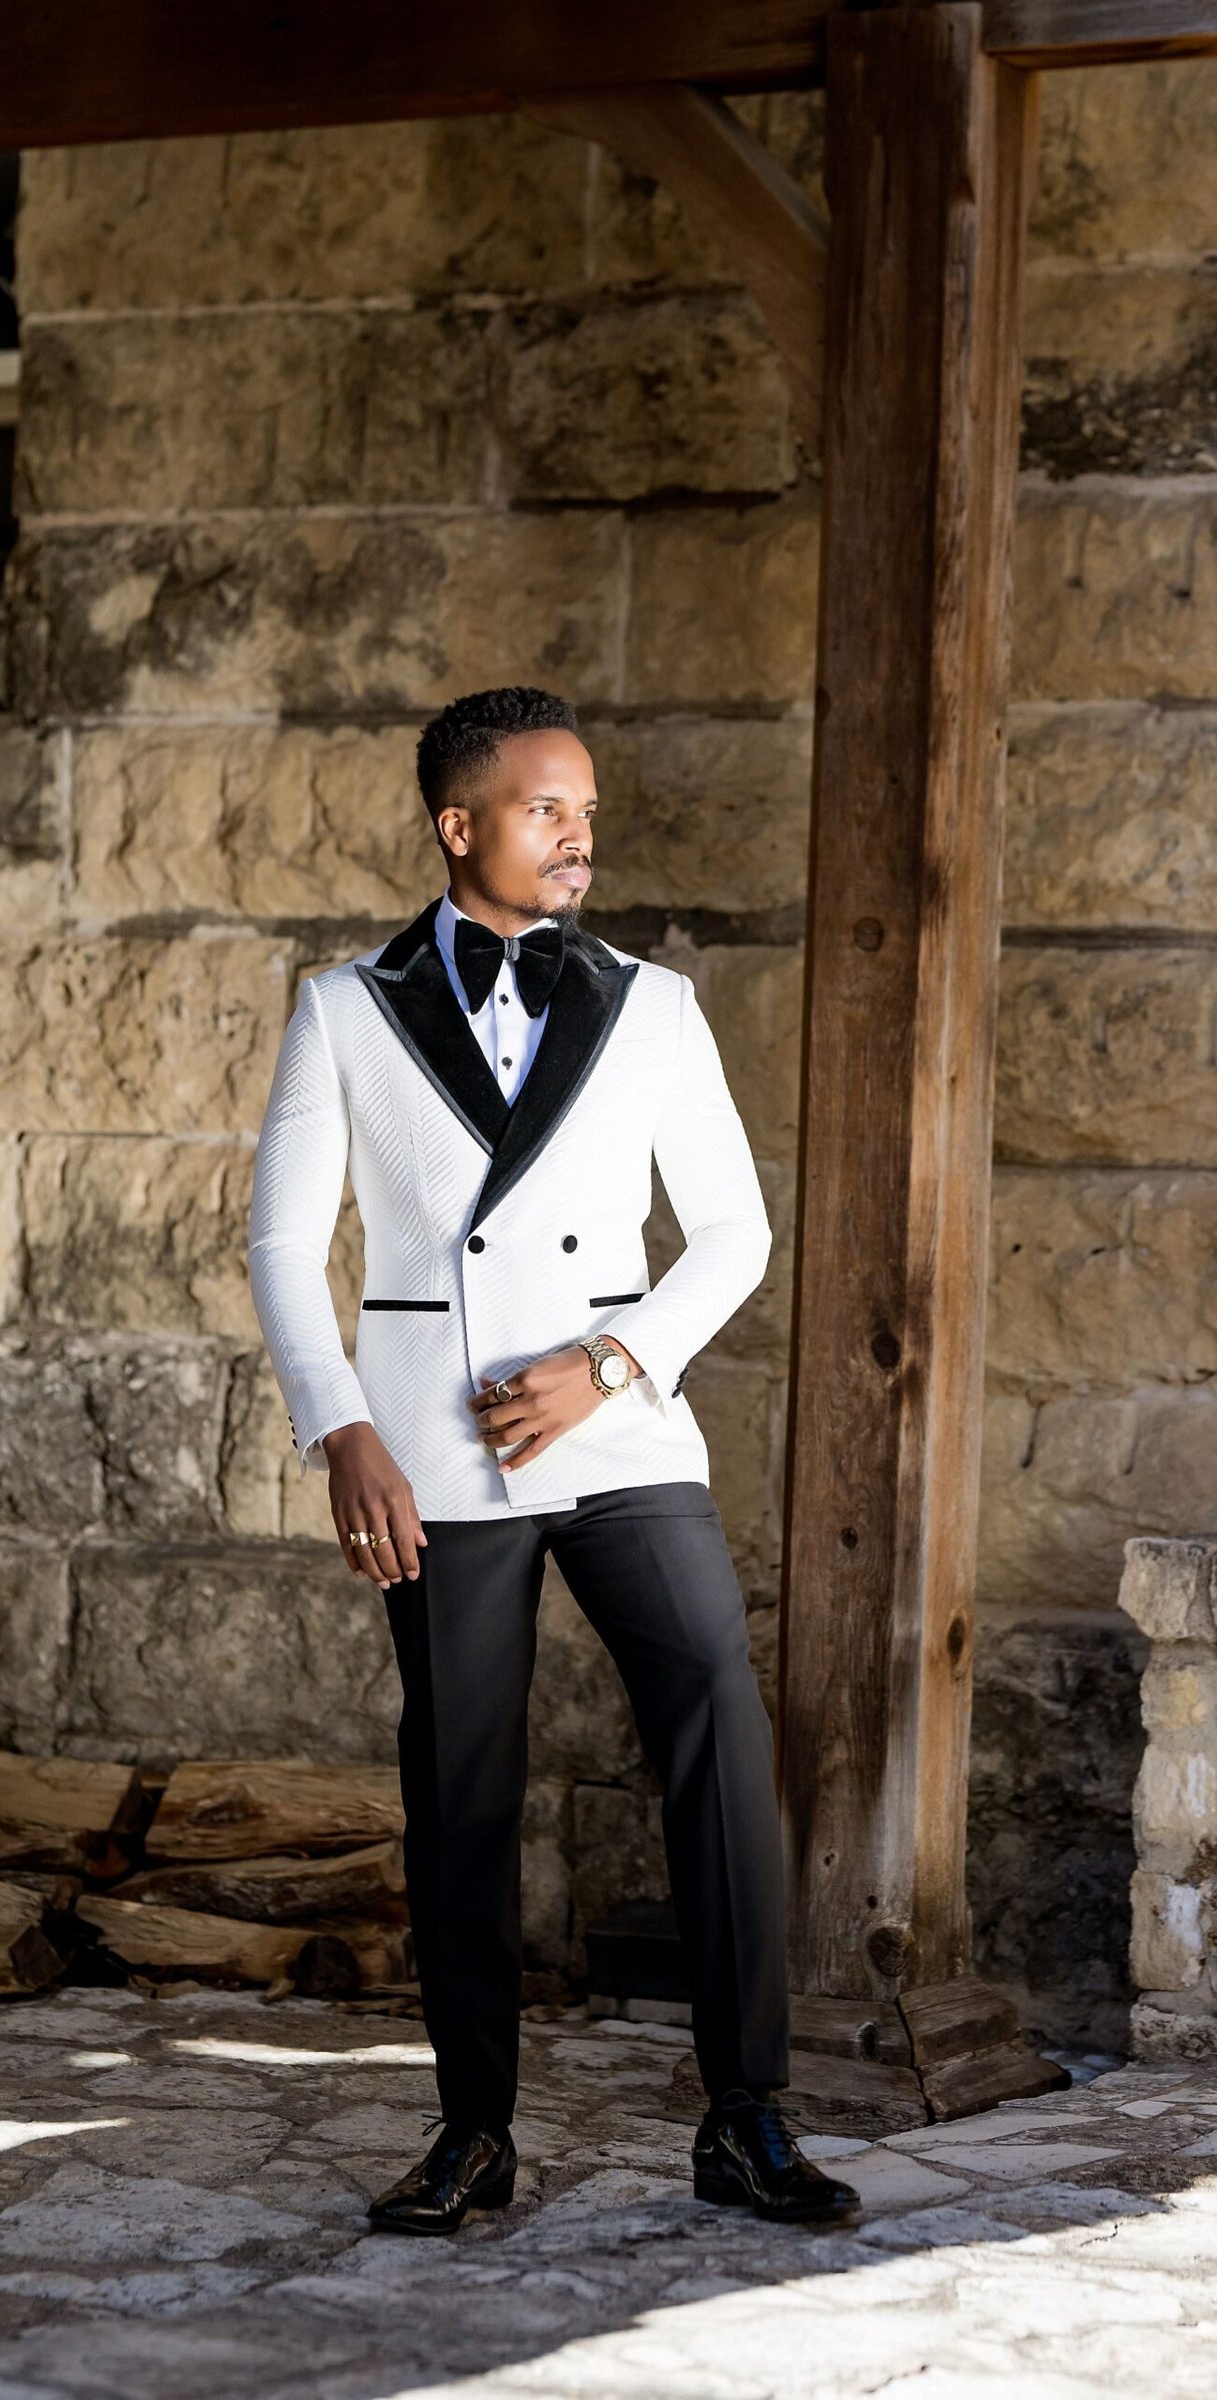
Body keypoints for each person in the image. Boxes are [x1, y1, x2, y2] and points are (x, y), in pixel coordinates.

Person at [247, 686, 858, 2233]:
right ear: (459, 826)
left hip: (621, 1426)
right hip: (435, 1448)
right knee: (461, 1788)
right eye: (545, 810)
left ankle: (747, 2114)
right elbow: (281, 1244)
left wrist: (607, 1366)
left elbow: (734, 1234)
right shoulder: (345, 1007)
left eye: (587, 810)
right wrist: (342, 1429)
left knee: (717, 1720)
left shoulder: (653, 1005)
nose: (581, 836)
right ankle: (474, 2134)